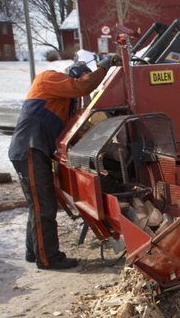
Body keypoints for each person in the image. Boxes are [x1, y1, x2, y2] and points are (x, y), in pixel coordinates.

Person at [8, 55, 119, 270]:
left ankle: (34, 251)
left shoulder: (63, 103)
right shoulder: (47, 79)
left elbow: (72, 134)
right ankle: (48, 258)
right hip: (30, 148)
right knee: (44, 205)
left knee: (38, 204)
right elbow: (83, 86)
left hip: (36, 150)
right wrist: (104, 66)